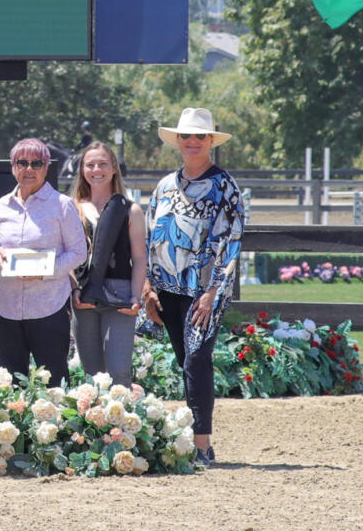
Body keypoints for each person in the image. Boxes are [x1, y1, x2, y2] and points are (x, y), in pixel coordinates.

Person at [142, 108, 244, 469]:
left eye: (199, 136)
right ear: (178, 142)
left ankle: (203, 444)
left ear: (211, 142)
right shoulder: (165, 185)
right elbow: (151, 235)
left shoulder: (224, 186)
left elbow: (231, 242)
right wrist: (148, 286)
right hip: (167, 288)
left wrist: (213, 292)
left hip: (206, 291)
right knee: (185, 360)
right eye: (186, 136)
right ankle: (193, 440)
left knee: (197, 360)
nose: (192, 142)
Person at [0, 138, 86, 386]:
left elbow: (78, 252)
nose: (28, 169)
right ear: (13, 166)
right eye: (22, 162)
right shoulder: (2, 206)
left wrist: (42, 271)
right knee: (9, 386)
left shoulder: (62, 206)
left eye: (36, 163)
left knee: (54, 385)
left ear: (46, 167)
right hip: (8, 309)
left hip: (49, 308)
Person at [69, 141, 145, 384]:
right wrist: (74, 288)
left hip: (120, 293)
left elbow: (140, 257)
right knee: (92, 375)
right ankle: (96, 421)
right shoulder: (72, 208)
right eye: (90, 165)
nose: (96, 169)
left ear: (113, 168)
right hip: (84, 295)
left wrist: (136, 296)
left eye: (102, 164)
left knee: (119, 371)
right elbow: (66, 252)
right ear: (82, 170)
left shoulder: (131, 210)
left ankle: (121, 421)